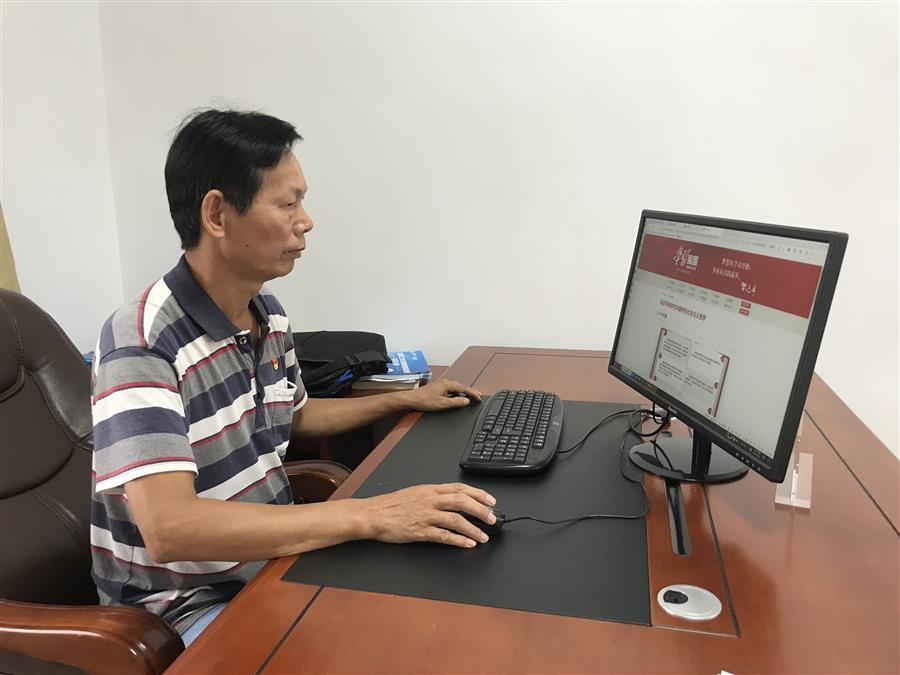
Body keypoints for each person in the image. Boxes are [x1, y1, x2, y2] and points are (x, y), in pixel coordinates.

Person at [90, 109, 496, 644]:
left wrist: (403, 400)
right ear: (217, 214)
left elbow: (294, 414)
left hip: (271, 562)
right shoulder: (141, 339)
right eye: (288, 203)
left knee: (435, 614)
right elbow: (170, 528)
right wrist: (371, 516)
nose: (306, 221)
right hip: (186, 605)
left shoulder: (267, 313)